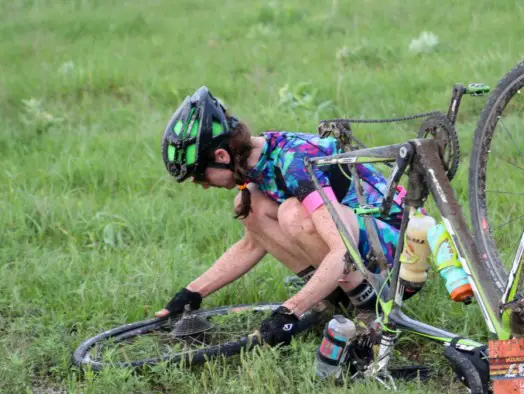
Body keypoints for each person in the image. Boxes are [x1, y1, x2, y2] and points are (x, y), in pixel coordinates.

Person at [157, 86, 412, 346]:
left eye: (201, 176)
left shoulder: (294, 163)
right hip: (362, 245)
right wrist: (193, 293)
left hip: (399, 257)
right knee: (249, 204)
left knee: (292, 213)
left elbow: (340, 250)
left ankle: (369, 306)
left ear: (221, 156)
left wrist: (291, 310)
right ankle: (332, 295)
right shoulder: (261, 161)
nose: (204, 185)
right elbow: (253, 244)